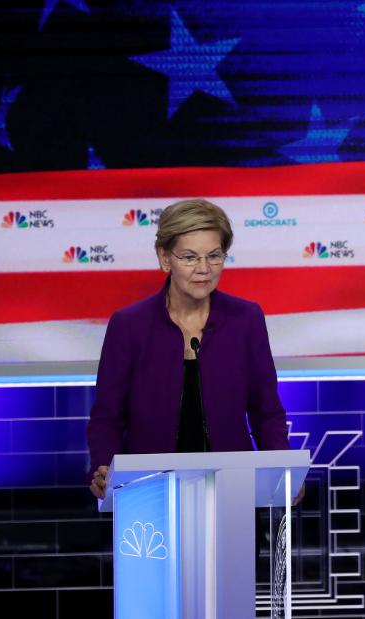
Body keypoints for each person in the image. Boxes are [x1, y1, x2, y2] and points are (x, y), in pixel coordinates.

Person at [86, 199, 301, 504]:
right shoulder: (129, 325)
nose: (204, 269)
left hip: (231, 491)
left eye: (214, 256)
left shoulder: (246, 319)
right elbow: (107, 417)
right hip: (148, 493)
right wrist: (103, 467)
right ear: (164, 258)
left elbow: (266, 411)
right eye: (189, 257)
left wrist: (283, 469)